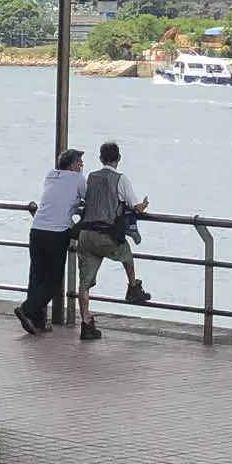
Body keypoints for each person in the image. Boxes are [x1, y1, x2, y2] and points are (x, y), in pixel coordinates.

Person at [74, 141, 154, 340]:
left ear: (101, 158)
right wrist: (143, 205)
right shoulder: (121, 179)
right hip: (106, 234)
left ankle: (85, 323)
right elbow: (135, 206)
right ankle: (133, 287)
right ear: (118, 159)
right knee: (126, 253)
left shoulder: (90, 177)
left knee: (84, 282)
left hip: (85, 234)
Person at [16, 149, 86, 336]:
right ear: (72, 166)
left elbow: (59, 197)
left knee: (37, 276)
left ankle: (36, 321)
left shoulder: (51, 176)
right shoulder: (78, 179)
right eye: (80, 163)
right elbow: (91, 199)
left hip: (37, 229)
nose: (81, 167)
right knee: (53, 280)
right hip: (56, 233)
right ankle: (27, 309)